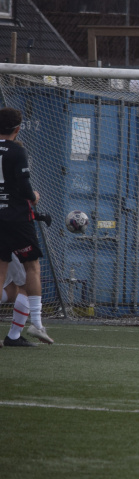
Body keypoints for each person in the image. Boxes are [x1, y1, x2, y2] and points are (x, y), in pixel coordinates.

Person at [0, 107, 48, 348]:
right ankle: (36, 323)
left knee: (3, 277)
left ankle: (15, 336)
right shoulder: (18, 151)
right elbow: (23, 184)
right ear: (17, 129)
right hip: (17, 219)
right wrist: (34, 198)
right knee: (31, 271)